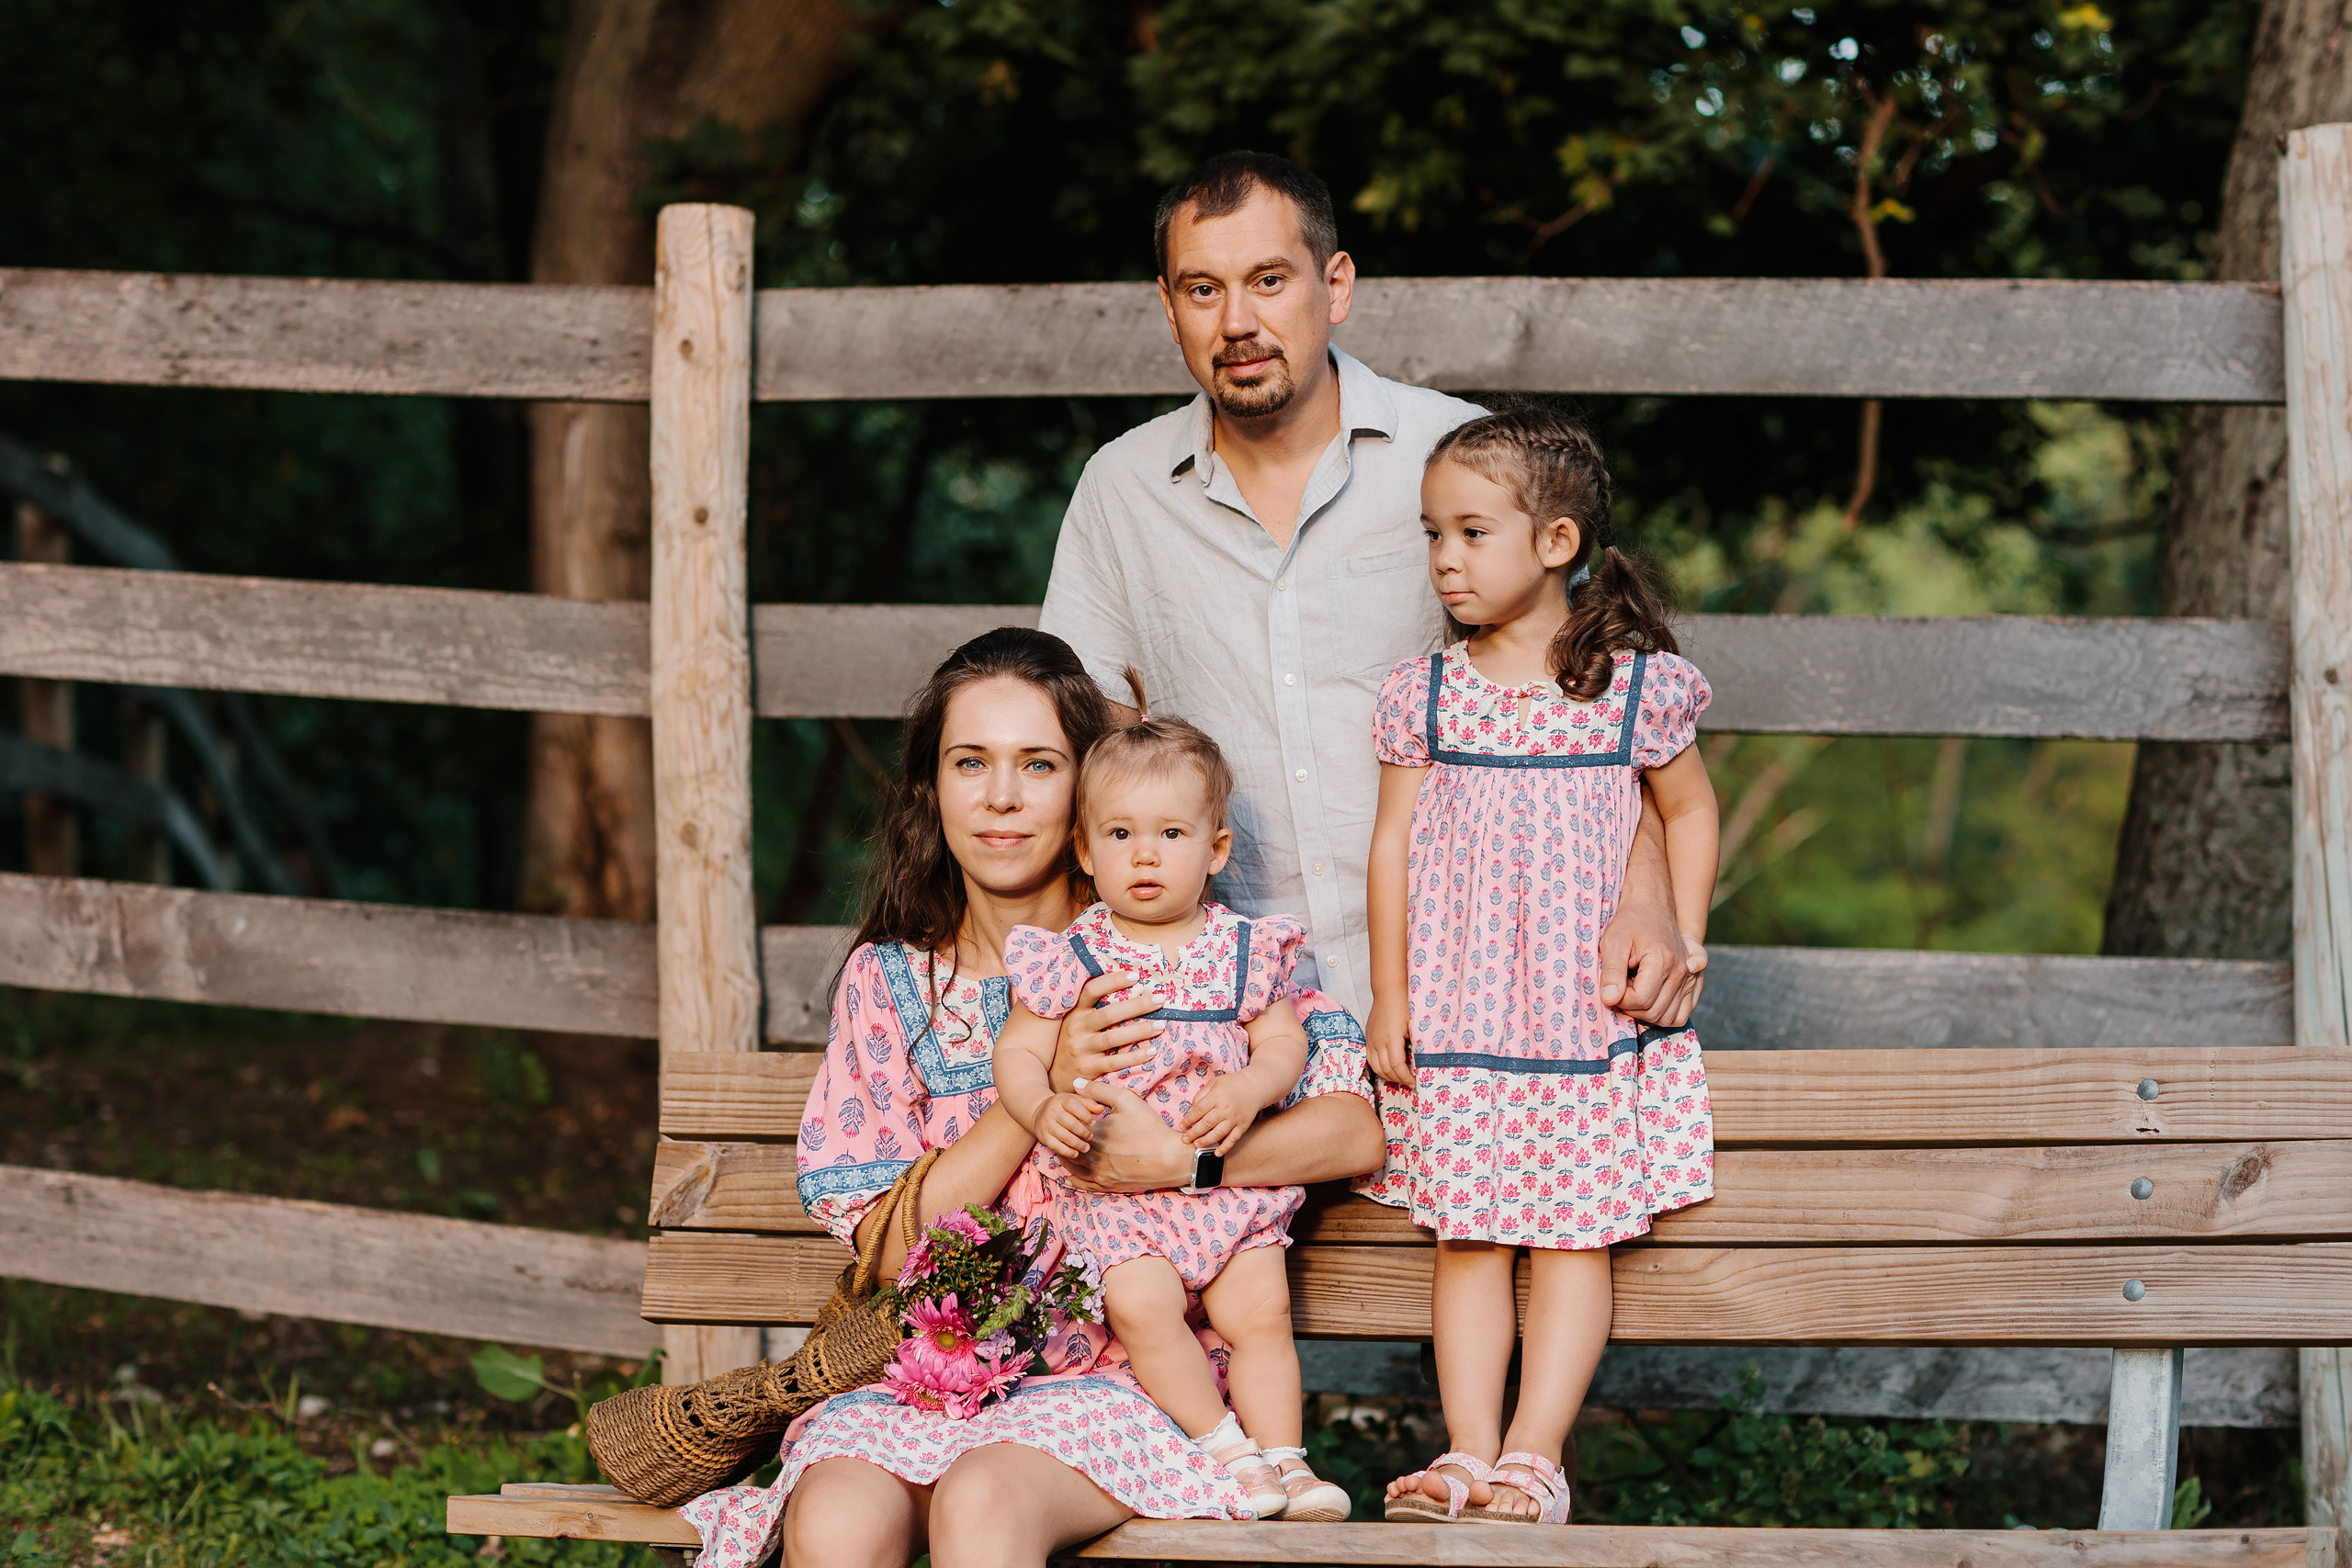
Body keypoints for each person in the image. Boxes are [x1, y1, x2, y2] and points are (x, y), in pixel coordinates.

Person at [676, 627, 1385, 1568]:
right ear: (935, 786)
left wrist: (1187, 1161)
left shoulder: (1195, 956)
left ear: (1083, 795)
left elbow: (1349, 1130)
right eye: (971, 762)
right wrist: (1034, 1085)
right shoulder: (892, 983)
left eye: (1038, 764)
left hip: (1129, 1378)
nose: (1002, 797)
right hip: (940, 1373)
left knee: (983, 1504)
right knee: (837, 1517)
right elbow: (892, 1244)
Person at [1038, 150, 1704, 1061]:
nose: (1237, 322)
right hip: (1225, 1029)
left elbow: (1609, 711)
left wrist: (1649, 893)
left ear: (1335, 283)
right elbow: (1088, 752)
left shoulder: (1466, 464)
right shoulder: (1120, 489)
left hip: (1488, 1000)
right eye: (1202, 290)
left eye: (1269, 280)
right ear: (1167, 305)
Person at [1364, 410, 1720, 1525]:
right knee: (1467, 1236)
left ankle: (1534, 1457)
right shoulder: (1423, 694)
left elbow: (1692, 808)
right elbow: (1390, 847)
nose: (1446, 560)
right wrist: (1390, 993)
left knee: (1572, 1237)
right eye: (1434, 535)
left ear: (1557, 541)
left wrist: (1686, 933)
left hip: (1580, 1014)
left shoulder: (1635, 689)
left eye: (1472, 532)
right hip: (1463, 1008)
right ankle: (1466, 1450)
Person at [992, 684, 1351, 1522]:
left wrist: (1253, 1085)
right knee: (1140, 1303)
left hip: (1223, 1188)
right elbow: (1018, 1050)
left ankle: (1289, 1462)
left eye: (1170, 835)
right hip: (1117, 1196)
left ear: (1216, 848)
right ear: (1084, 849)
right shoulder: (1073, 952)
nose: (1145, 857)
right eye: (1121, 835)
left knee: (1259, 1311)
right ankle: (1223, 1447)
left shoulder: (1241, 946)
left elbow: (1284, 1041)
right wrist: (1042, 1109)